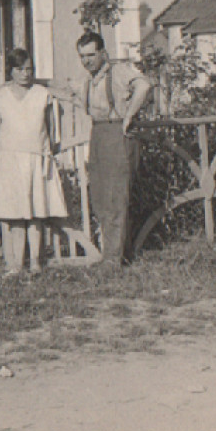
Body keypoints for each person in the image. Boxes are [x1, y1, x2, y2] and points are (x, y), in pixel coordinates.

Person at [60, 31, 152, 265]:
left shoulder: (118, 71)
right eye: (82, 56)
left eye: (91, 55)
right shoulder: (89, 80)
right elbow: (68, 93)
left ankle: (114, 259)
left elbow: (144, 85)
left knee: (115, 197)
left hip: (117, 132)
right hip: (99, 133)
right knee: (100, 196)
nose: (86, 60)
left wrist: (130, 114)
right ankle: (117, 253)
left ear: (103, 52)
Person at [0, 48, 68, 276]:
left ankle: (35, 262)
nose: (25, 73)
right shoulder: (0, 97)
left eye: (29, 69)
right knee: (15, 214)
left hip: (35, 158)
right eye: (19, 69)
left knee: (35, 212)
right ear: (10, 71)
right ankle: (15, 264)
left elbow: (52, 130)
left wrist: (48, 152)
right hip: (10, 159)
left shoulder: (42, 94)